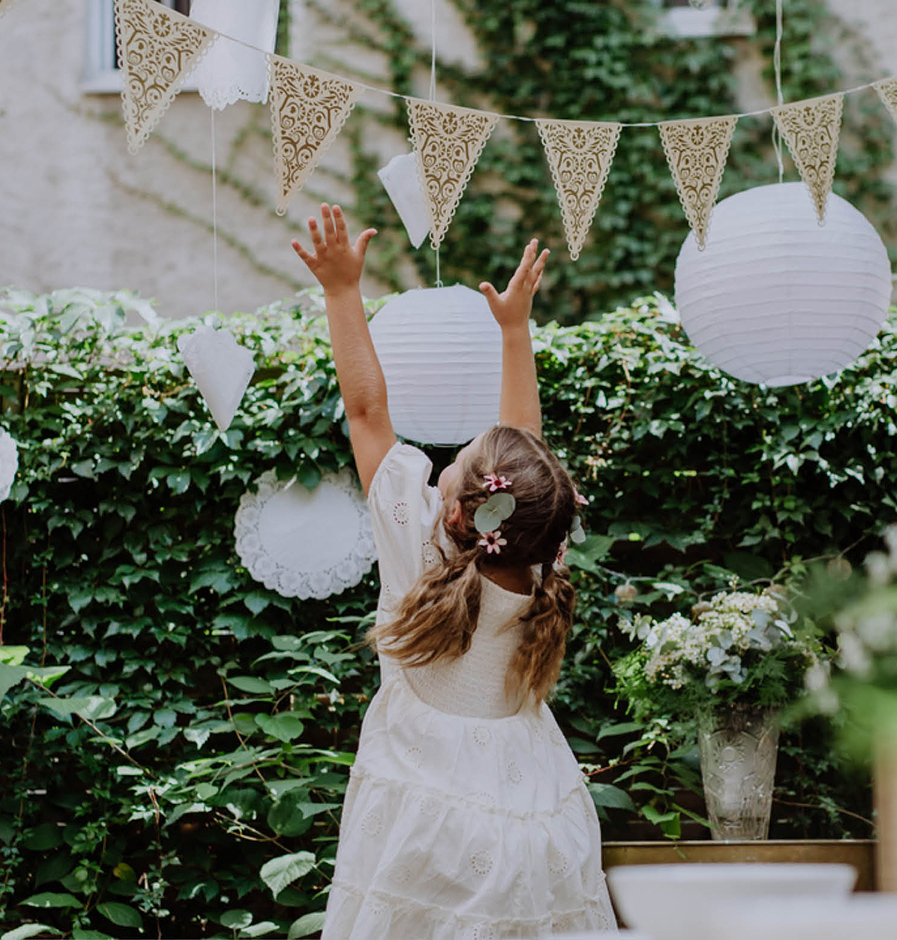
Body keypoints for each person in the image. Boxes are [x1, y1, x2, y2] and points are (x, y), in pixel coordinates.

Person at [291, 205, 617, 939]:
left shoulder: (418, 541)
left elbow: (366, 411)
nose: (457, 453)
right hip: (529, 819)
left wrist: (342, 293)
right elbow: (522, 450)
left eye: (464, 456)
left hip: (424, 826)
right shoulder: (539, 557)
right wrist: (512, 331)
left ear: (462, 504)